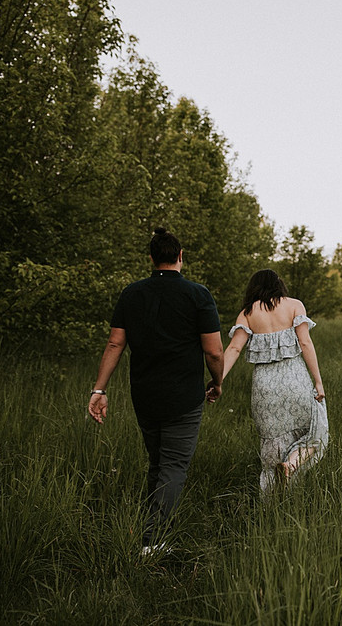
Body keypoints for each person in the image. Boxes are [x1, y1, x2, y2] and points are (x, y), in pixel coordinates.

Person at [88, 227, 224, 555]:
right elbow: (214, 352)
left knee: (158, 461)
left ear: (151, 259)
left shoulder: (132, 294)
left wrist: (99, 389)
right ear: (180, 257)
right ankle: (154, 542)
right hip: (184, 397)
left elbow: (115, 342)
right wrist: (217, 382)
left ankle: (150, 524)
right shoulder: (197, 294)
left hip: (144, 395)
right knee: (174, 465)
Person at [216, 269, 328, 492]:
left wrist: (217, 381)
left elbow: (235, 348)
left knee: (273, 443)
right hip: (295, 380)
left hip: (265, 387)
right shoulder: (295, 305)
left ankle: (272, 500)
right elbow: (305, 343)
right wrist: (318, 381)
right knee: (315, 433)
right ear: (279, 285)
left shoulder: (247, 313)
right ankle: (292, 465)